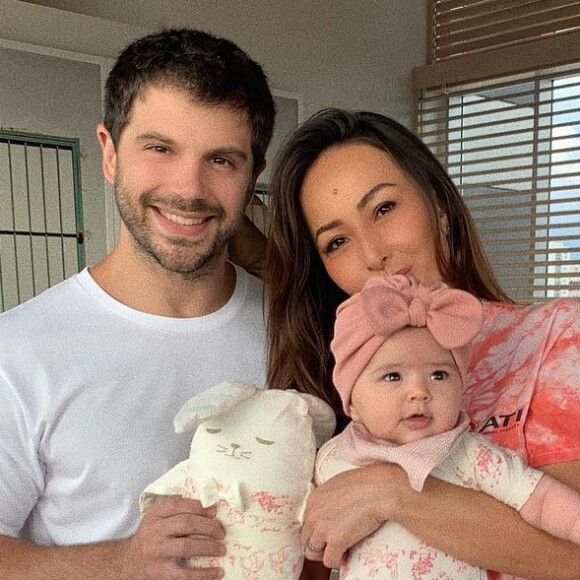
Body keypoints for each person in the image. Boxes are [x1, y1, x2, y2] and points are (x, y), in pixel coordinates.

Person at [0, 28, 275, 580]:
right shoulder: (19, 350)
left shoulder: (301, 327)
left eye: (221, 160)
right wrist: (123, 560)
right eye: (159, 148)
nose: (188, 188)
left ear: (252, 179)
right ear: (108, 152)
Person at [264, 108, 580, 578]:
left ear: (438, 206)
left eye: (385, 209)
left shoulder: (555, 337)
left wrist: (391, 492)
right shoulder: (332, 389)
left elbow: (569, 555)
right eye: (336, 242)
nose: (374, 255)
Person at [317, 272, 580, 578]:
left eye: (439, 375)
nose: (419, 391)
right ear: (352, 404)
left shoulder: (469, 454)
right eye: (393, 376)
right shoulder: (333, 459)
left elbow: (538, 498)